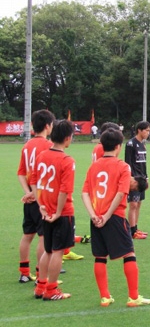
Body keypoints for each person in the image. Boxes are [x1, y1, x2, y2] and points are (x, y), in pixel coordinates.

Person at [81, 128, 150, 307]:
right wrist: (106, 216)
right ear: (118, 146)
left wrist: (94, 215)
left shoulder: (94, 166)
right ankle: (133, 297)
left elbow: (84, 193)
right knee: (129, 253)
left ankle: (105, 297)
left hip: (96, 217)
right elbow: (121, 193)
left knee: (100, 257)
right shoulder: (123, 166)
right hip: (114, 216)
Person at [33, 120, 75, 301]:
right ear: (67, 138)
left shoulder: (42, 155)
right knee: (58, 251)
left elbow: (34, 181)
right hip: (61, 213)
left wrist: (40, 205)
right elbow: (65, 190)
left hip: (45, 210)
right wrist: (58, 212)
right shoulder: (67, 160)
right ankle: (51, 290)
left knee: (48, 250)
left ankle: (40, 287)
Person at [17, 110, 55, 283]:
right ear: (47, 126)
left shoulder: (27, 146)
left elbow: (21, 173)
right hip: (42, 199)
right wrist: (35, 193)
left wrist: (28, 193)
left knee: (27, 235)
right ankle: (41, 275)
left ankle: (24, 272)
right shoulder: (49, 146)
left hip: (29, 199)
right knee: (43, 237)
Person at [125, 121, 150, 239]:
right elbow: (128, 162)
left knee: (139, 203)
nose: (148, 133)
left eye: (149, 131)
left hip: (142, 179)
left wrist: (146, 178)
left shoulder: (143, 145)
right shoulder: (131, 144)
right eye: (146, 130)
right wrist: (131, 178)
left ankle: (135, 228)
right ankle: (131, 231)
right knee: (133, 204)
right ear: (139, 130)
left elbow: (144, 164)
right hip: (134, 180)